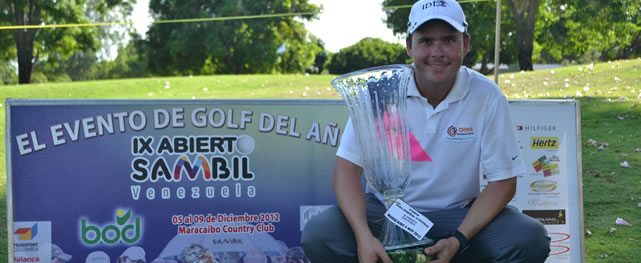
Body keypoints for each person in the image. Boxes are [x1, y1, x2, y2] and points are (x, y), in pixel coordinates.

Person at [301, 0, 551, 262]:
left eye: (448, 40)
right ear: (409, 46)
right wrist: (364, 237)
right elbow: (346, 171)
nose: (437, 51)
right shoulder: (379, 93)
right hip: (384, 213)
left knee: (528, 238)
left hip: (457, 215)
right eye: (426, 41)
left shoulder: (487, 96)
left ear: (465, 44)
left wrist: (459, 239)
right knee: (320, 234)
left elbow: (503, 181)